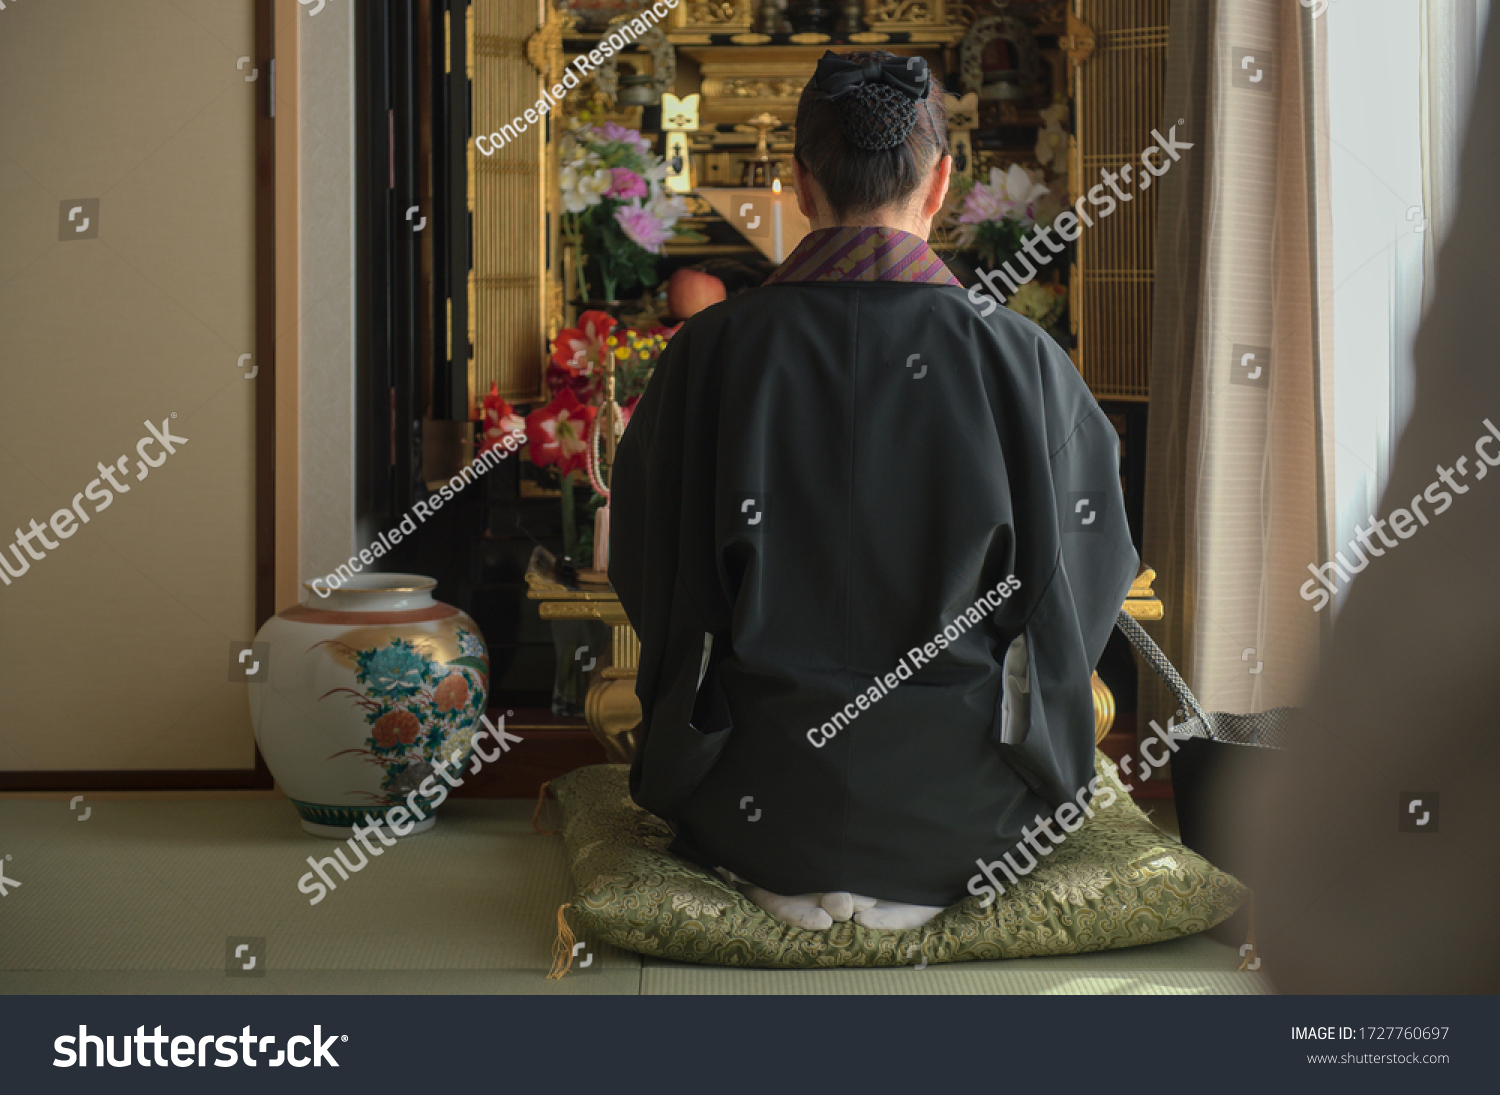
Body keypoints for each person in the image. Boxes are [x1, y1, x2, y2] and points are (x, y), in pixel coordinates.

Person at [609, 51, 1138, 931]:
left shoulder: (709, 353)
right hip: (970, 825)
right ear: (940, 184)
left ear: (799, 181)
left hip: (756, 812)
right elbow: (1083, 581)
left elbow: (650, 570)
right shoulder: (1020, 358)